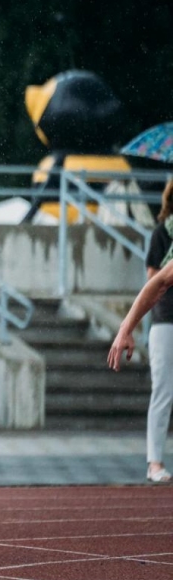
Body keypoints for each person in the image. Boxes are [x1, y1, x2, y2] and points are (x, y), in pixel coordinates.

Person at [109, 178, 173, 484]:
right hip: (166, 319)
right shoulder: (163, 233)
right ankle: (155, 462)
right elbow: (157, 280)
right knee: (163, 389)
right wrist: (127, 327)